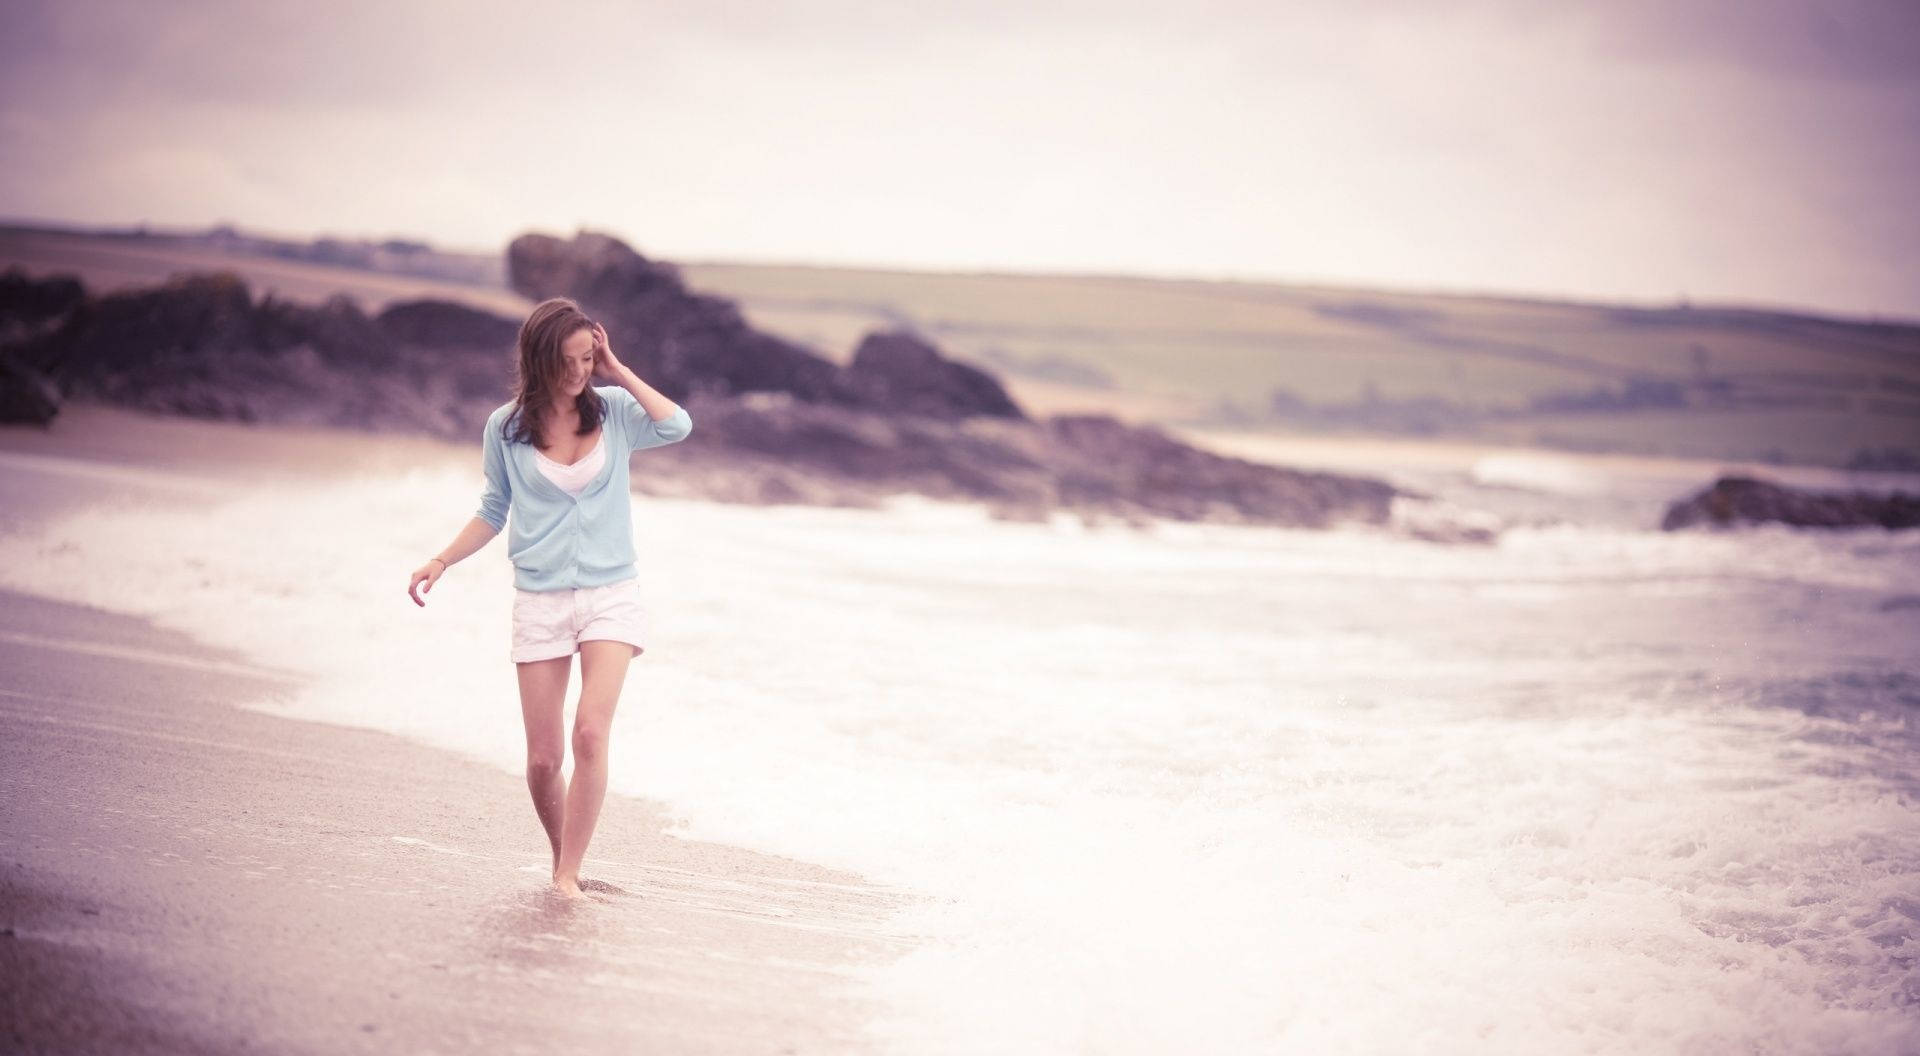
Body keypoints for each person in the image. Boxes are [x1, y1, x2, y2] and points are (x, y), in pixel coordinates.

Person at [406, 297, 692, 898]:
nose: (581, 372)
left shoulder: (614, 410)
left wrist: (618, 369)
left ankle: (567, 876)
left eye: (588, 359)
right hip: (540, 597)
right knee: (542, 760)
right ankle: (564, 857)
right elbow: (492, 510)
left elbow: (676, 425)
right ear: (540, 362)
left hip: (612, 591)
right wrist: (441, 560)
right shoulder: (505, 427)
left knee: (590, 731)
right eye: (571, 361)